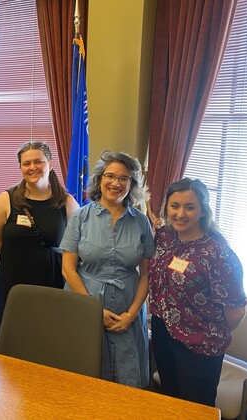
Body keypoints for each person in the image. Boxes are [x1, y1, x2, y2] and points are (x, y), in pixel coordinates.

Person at [60, 150, 154, 388]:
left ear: (132, 184)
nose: (116, 183)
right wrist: (93, 310)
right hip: (85, 301)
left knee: (127, 377)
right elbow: (68, 270)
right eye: (110, 176)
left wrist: (130, 316)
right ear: (100, 179)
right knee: (87, 376)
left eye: (124, 178)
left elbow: (146, 275)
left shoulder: (141, 222)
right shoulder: (80, 218)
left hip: (128, 306)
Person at [149, 178, 246, 406]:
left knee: (196, 409)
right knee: (171, 402)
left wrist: (206, 330)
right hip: (163, 332)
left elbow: (237, 311)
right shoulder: (165, 237)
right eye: (175, 206)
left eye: (190, 207)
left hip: (200, 343)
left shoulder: (217, 253)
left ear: (203, 210)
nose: (180, 214)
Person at [0, 142, 79, 336]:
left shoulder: (67, 203)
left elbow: (76, 246)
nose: (32, 167)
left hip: (51, 281)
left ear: (51, 165)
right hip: (13, 279)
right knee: (13, 336)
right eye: (26, 163)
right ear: (20, 167)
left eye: (38, 161)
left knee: (47, 336)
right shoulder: (6, 199)